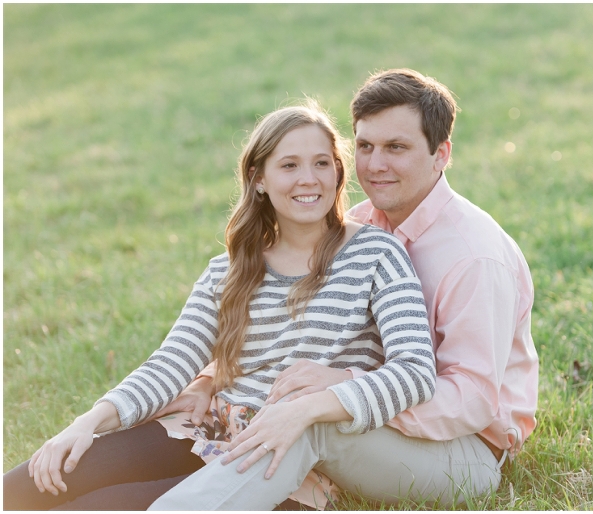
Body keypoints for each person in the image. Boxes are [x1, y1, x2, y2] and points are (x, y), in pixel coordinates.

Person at [3, 102, 437, 510]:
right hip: (211, 430)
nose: (310, 179)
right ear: (259, 179)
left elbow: (415, 371)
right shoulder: (228, 269)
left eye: (322, 163)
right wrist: (86, 423)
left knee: (99, 508)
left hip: (287, 460)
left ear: (338, 173)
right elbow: (173, 361)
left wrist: (322, 400)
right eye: (289, 165)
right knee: (31, 484)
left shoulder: (377, 253)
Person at [150, 68, 538, 510]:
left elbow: (470, 403)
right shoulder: (364, 224)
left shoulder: (473, 257)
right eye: (366, 146)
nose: (374, 165)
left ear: (441, 154)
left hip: (464, 452)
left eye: (397, 148)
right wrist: (208, 379)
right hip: (371, 421)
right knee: (291, 417)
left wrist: (342, 392)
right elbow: (292, 327)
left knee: (309, 420)